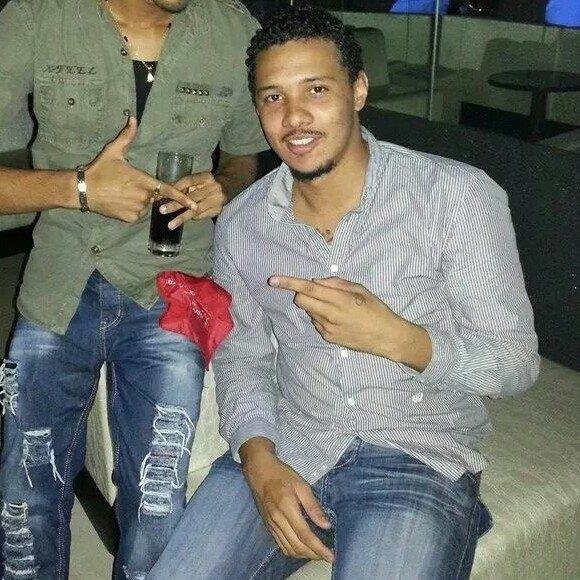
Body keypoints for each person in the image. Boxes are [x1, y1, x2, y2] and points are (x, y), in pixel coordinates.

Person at [148, 7, 539, 579]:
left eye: (316, 89)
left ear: (358, 90)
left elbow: (514, 364)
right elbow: (243, 355)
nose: (294, 118)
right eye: (273, 97)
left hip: (415, 459)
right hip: (291, 446)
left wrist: (400, 339)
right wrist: (257, 460)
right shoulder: (244, 223)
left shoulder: (457, 197)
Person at [0, 0, 267, 577]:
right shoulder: (35, 19)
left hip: (171, 286)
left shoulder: (234, 30)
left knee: (158, 503)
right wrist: (78, 188)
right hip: (62, 277)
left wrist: (222, 185)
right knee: (24, 497)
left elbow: (243, 157)